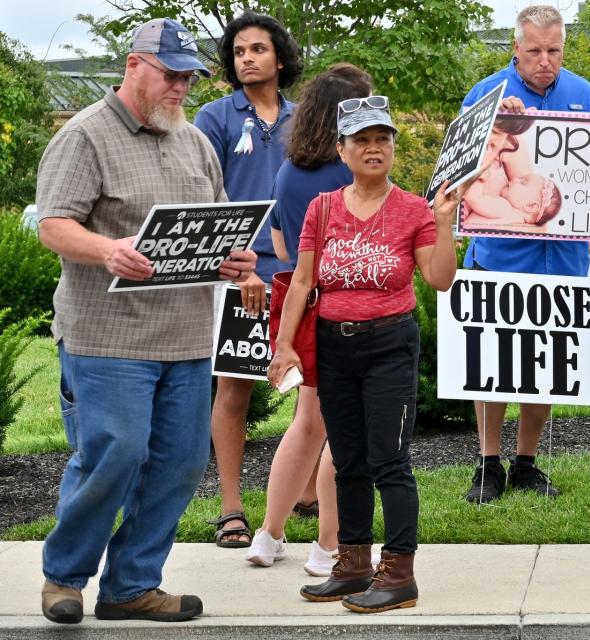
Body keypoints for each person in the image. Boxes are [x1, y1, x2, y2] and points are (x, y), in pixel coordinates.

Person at [35, 18, 257, 624]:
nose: (182, 87)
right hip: (106, 337)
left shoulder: (195, 142)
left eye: (189, 76)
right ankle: (65, 577)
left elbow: (214, 227)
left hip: (185, 338)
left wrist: (236, 261)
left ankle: (132, 584)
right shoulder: (84, 137)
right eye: (171, 74)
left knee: (182, 463)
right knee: (115, 452)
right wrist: (108, 249)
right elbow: (53, 224)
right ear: (134, 65)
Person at [267, 96, 462, 613]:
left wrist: (444, 224)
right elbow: (304, 280)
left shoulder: (414, 209)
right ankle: (352, 564)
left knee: (389, 460)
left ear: (394, 147)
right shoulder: (322, 207)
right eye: (362, 140)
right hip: (333, 345)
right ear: (342, 149)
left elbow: (440, 280)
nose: (373, 148)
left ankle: (399, 573)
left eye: (382, 139)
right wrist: (284, 344)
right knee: (348, 461)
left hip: (389, 344)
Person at [459, 4, 590, 504]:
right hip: (500, 253)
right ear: (515, 48)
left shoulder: (583, 93)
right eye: (534, 50)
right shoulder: (486, 95)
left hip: (564, 257)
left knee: (546, 362)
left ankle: (526, 463)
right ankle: (487, 464)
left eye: (553, 50)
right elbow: (463, 168)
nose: (544, 60)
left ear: (563, 48)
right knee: (492, 364)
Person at [244, 63, 378, 576]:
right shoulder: (351, 174)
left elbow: (279, 246)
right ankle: (328, 546)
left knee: (306, 423)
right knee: (346, 430)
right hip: (349, 307)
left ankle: (268, 534)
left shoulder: (287, 170)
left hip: (301, 305)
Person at [193, 11, 305, 548]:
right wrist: (239, 268)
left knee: (313, 386)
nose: (246, 59)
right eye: (238, 52)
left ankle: (304, 490)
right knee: (234, 388)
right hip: (238, 273)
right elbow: (202, 198)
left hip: (300, 273)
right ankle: (232, 508)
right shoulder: (212, 118)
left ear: (279, 59)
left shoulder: (306, 119)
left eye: (257, 49)